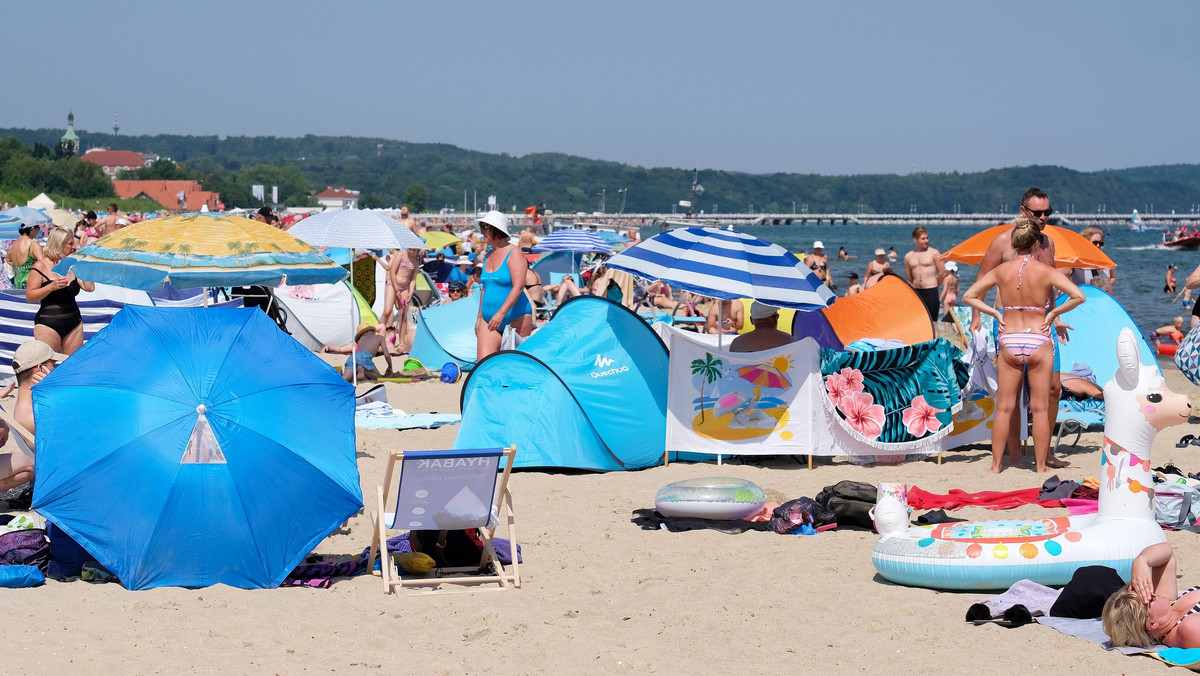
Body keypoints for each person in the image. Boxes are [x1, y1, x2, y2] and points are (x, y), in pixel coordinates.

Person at [963, 217, 1085, 473]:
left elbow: (969, 295)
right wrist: (1052, 315)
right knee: (1040, 408)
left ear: (1015, 242)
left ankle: (995, 466)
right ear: (1034, 243)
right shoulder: (1045, 271)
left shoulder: (1002, 270)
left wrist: (995, 314)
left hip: (1010, 337)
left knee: (1005, 406)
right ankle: (1041, 466)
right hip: (1038, 337)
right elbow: (1078, 296)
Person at [1103, 543, 1200, 649]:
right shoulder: (1188, 629)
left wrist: (1141, 561)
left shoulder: (1168, 608)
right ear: (1152, 624)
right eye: (1150, 598)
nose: (1153, 593)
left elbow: (1167, 553)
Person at [0, 340, 63, 492]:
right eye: (53, 364)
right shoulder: (38, 414)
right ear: (40, 369)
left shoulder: (25, 406)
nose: (56, 369)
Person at [25, 227, 94, 355]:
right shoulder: (41, 266)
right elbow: (30, 296)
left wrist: (86, 263)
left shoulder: (73, 265)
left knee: (71, 367)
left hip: (74, 323)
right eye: (70, 244)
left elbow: (90, 288)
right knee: (47, 367)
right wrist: (50, 287)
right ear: (59, 244)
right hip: (48, 323)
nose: (74, 247)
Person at [475, 210, 533, 360]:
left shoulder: (515, 253)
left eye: (485, 227)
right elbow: (484, 289)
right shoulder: (489, 254)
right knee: (484, 365)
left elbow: (518, 287)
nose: (482, 232)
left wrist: (500, 313)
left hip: (515, 317)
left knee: (514, 365)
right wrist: (479, 318)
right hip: (489, 319)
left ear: (496, 229)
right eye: (481, 227)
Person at [323, 324, 394, 382]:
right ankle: (364, 371)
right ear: (372, 330)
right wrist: (390, 367)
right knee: (378, 377)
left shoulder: (360, 340)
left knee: (345, 379)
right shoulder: (379, 337)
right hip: (365, 356)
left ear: (361, 335)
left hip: (353, 356)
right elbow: (387, 354)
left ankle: (335, 377)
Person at [379, 248, 419, 352]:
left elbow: (413, 279)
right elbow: (392, 272)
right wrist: (396, 290)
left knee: (404, 315)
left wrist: (411, 292)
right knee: (387, 311)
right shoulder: (401, 255)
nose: (412, 252)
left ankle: (401, 343)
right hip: (393, 284)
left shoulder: (415, 261)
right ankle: (379, 338)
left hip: (405, 287)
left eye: (414, 250)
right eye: (410, 249)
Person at [904, 226, 946, 323]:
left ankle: (935, 339)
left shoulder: (934, 253)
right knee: (918, 322)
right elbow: (909, 277)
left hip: (931, 291)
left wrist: (934, 285)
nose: (926, 241)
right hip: (917, 292)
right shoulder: (908, 256)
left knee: (933, 323)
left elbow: (942, 273)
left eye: (927, 238)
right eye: (923, 239)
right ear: (915, 240)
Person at [1067, 227, 1114, 292]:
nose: (1098, 245)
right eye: (1095, 242)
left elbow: (1112, 277)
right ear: (1085, 242)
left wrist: (1107, 287)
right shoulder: (1075, 261)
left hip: (1101, 299)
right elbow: (1061, 278)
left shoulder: (1105, 260)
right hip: (1082, 299)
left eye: (1101, 243)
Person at [6, 221, 42, 289]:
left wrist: (19, 268)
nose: (38, 231)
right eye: (38, 228)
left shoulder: (15, 243)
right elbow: (43, 263)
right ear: (32, 228)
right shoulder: (33, 244)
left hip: (17, 283)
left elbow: (7, 259)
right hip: (31, 283)